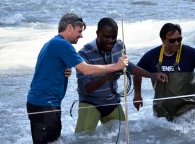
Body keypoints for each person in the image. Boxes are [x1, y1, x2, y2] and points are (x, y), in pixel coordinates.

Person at [26, 13, 128, 144]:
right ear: (69, 27)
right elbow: (86, 69)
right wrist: (115, 66)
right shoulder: (63, 45)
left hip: (43, 103)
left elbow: (44, 66)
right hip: (44, 104)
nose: (81, 35)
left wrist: (62, 70)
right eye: (79, 31)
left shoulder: (52, 43)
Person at [75, 17, 168, 133]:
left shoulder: (119, 46)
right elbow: (85, 89)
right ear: (98, 33)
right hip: (91, 103)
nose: (111, 41)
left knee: (124, 135)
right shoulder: (84, 54)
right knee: (82, 140)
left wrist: (152, 75)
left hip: (112, 101)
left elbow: (129, 66)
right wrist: (106, 77)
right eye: (107, 37)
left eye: (113, 37)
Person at [133, 23, 195, 121]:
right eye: (172, 40)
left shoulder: (189, 53)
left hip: (189, 108)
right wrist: (137, 95)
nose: (176, 43)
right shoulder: (152, 55)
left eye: (179, 39)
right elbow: (136, 72)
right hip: (162, 110)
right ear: (163, 40)